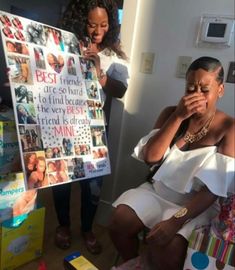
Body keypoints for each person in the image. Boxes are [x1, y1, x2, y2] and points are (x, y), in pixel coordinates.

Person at [109, 57, 234, 269]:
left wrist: (176, 220)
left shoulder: (228, 127)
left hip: (195, 205)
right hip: (157, 191)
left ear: (220, 90)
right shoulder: (171, 113)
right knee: (120, 221)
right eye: (190, 88)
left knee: (170, 247)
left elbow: (212, 190)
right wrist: (178, 116)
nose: (196, 95)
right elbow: (151, 157)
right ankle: (135, 264)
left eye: (205, 89)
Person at [52, 0, 129, 254]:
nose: (97, 31)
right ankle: (63, 225)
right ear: (79, 21)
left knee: (93, 185)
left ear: (111, 24)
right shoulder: (62, 44)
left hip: (96, 128)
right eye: (91, 24)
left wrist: (100, 74)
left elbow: (120, 90)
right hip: (63, 124)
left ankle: (87, 229)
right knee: (60, 180)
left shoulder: (113, 55)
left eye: (104, 25)